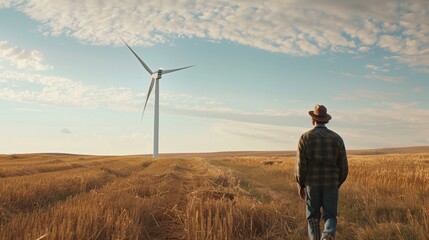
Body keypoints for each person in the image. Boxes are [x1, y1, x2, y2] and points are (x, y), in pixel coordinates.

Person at [295, 104, 348, 240]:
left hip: (312, 184)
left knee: (312, 216)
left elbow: (301, 165)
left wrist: (301, 185)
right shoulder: (337, 138)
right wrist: (336, 183)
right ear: (326, 120)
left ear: (313, 120)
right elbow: (343, 167)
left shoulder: (305, 138)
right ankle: (328, 234)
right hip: (331, 184)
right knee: (330, 215)